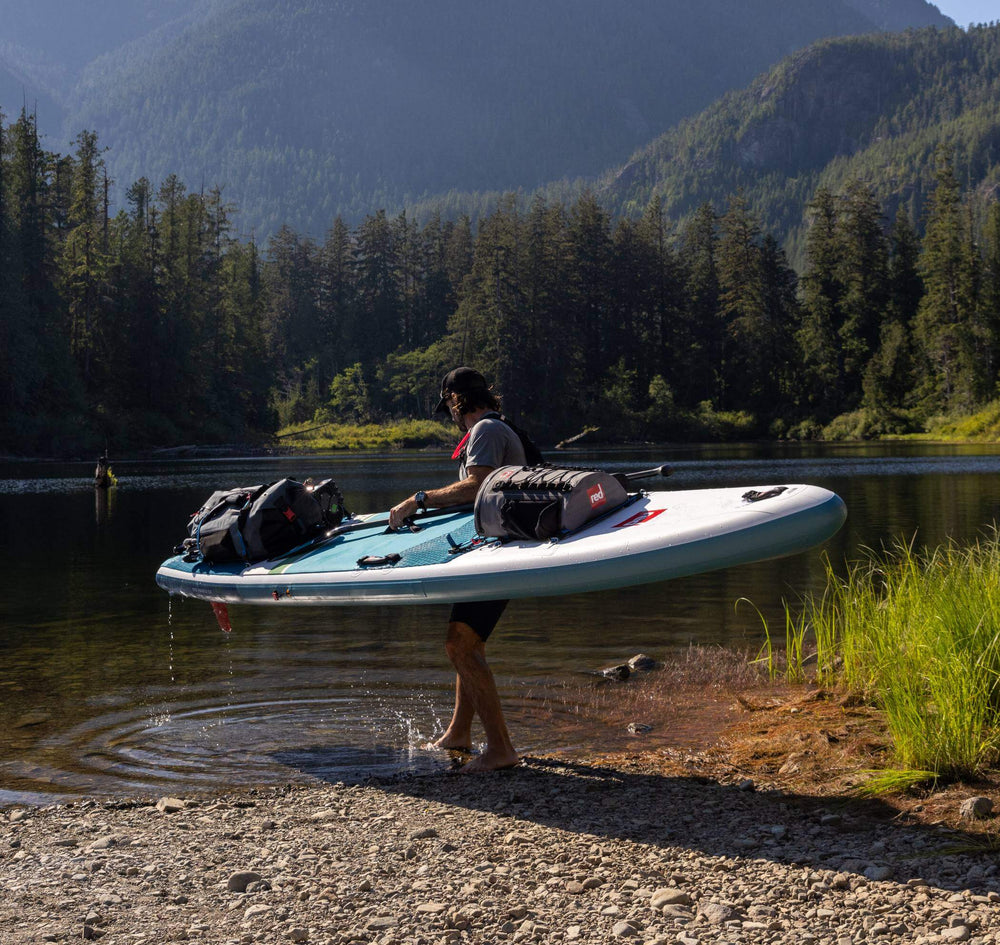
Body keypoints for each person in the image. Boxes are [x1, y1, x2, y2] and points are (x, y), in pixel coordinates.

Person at [389, 367, 529, 773]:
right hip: (499, 549)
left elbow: (477, 485)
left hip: (500, 554)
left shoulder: (485, 430)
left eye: (448, 405)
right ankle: (458, 733)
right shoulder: (497, 427)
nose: (450, 414)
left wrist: (418, 499)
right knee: (468, 643)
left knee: (459, 645)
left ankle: (500, 749)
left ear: (455, 401)